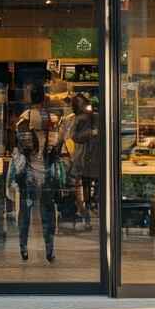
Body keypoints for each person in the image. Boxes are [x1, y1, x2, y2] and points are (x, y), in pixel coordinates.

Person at [15, 85, 66, 263]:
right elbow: (57, 146)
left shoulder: (23, 119)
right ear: (44, 99)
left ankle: (23, 248)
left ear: (30, 99)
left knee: (25, 212)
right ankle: (49, 251)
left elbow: (23, 147)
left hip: (29, 171)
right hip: (47, 171)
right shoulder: (53, 120)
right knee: (48, 211)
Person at [69, 94, 101, 229]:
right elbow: (74, 136)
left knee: (96, 180)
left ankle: (93, 203)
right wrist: (90, 133)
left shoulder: (95, 116)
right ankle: (87, 208)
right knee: (86, 182)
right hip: (84, 156)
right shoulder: (78, 119)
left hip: (95, 154)